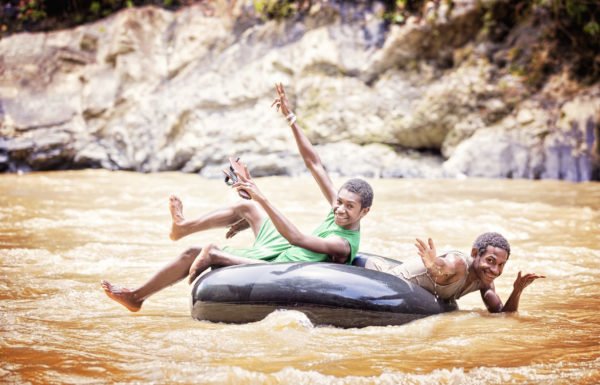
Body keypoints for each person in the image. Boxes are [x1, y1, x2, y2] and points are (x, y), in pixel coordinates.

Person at [101, 83, 374, 312]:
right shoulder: (338, 208)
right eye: (339, 202)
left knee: (197, 251)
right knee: (247, 207)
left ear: (364, 212)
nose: (339, 209)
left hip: (289, 265)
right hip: (284, 248)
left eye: (349, 207)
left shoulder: (342, 243)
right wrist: (290, 118)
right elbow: (314, 163)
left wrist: (261, 195)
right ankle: (177, 237)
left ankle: (194, 267)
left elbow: (298, 240)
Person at [364, 232, 545, 312]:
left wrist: (517, 290)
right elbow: (442, 268)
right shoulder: (458, 263)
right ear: (475, 253)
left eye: (501, 265)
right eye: (490, 261)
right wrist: (433, 263)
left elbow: (500, 314)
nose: (495, 270)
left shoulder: (486, 281)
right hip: (389, 280)